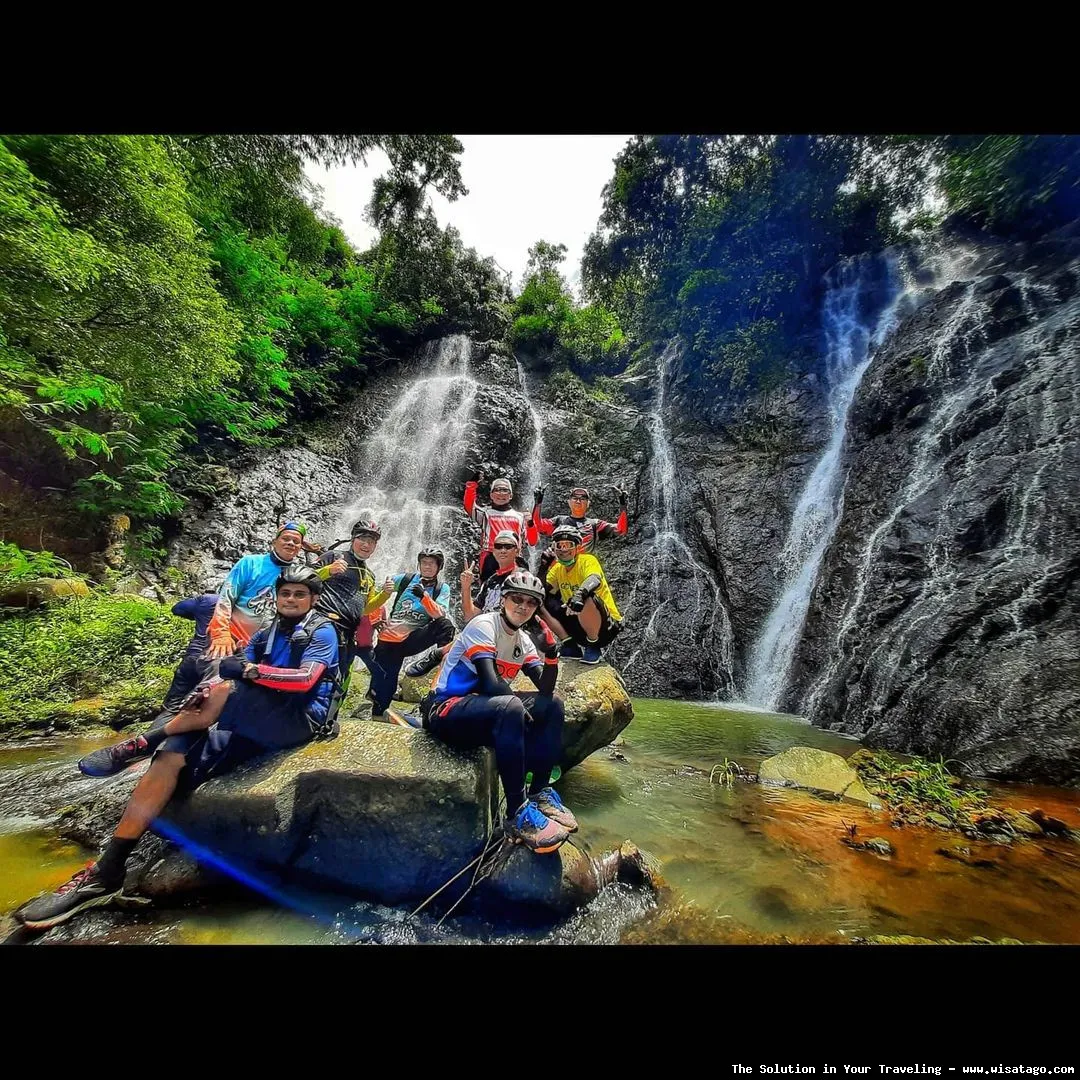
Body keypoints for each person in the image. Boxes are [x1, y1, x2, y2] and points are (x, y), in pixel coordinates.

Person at [18, 566, 339, 931]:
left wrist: (248, 673)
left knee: (227, 690)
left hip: (298, 721)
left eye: (300, 595)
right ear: (277, 597)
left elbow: (306, 679)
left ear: (313, 599)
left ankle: (140, 742)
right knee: (175, 751)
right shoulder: (265, 633)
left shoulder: (322, 631)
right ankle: (107, 870)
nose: (292, 600)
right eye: (287, 594)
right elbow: (225, 671)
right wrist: (207, 688)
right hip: (255, 717)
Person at [413, 571, 576, 854]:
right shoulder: (483, 625)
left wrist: (550, 654)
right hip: (445, 709)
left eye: (530, 602)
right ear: (503, 599)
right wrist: (517, 710)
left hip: (481, 713)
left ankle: (539, 793)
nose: (523, 606)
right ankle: (517, 814)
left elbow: (546, 691)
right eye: (517, 599)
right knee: (511, 705)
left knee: (554, 705)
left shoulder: (523, 641)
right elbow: (490, 682)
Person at [368, 548, 455, 717]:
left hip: (413, 639)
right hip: (389, 639)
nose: (427, 566)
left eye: (432, 563)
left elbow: (439, 614)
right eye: (424, 563)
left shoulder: (441, 588)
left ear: (439, 566)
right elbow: (375, 589)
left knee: (445, 625)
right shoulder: (405, 580)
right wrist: (376, 617)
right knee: (385, 686)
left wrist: (425, 597)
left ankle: (440, 663)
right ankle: (377, 712)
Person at [205, 522, 306, 658]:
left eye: (296, 541)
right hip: (230, 638)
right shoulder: (250, 563)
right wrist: (220, 633)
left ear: (300, 548)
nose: (291, 543)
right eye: (285, 539)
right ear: (274, 542)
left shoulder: (294, 575)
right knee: (216, 675)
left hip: (260, 649)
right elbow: (226, 597)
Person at [312, 517, 392, 682]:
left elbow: (365, 609)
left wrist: (384, 594)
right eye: (362, 538)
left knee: (337, 681)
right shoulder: (334, 556)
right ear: (352, 538)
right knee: (315, 674)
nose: (366, 544)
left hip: (348, 634)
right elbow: (300, 579)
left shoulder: (369, 574)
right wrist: (328, 570)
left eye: (371, 541)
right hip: (323, 625)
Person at [543, 524, 623, 665]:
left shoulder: (587, 560)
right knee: (538, 601)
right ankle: (569, 644)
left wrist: (579, 594)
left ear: (578, 547)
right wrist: (543, 567)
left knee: (587, 597)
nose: (564, 550)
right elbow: (541, 590)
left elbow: (594, 579)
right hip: (578, 625)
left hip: (606, 627)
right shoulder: (557, 568)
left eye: (568, 544)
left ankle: (593, 645)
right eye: (559, 545)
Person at [463, 471, 530, 582]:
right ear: (491, 495)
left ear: (511, 495)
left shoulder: (520, 516)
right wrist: (472, 484)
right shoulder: (486, 514)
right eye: (497, 490)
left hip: (514, 556)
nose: (501, 494)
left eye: (505, 490)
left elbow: (526, 541)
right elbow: (469, 506)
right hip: (490, 557)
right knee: (488, 591)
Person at [529, 484, 629, 555]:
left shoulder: (595, 524)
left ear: (588, 503)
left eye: (583, 498)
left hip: (583, 570)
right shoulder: (559, 521)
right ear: (569, 502)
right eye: (575, 497)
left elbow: (621, 530)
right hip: (560, 569)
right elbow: (536, 526)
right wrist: (538, 503)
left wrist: (623, 505)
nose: (578, 501)